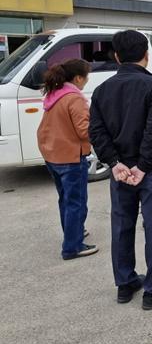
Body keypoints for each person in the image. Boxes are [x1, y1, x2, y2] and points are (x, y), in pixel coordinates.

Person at [89, 30, 152, 310]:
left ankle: (125, 282)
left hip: (121, 172)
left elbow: (96, 132)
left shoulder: (101, 90)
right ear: (146, 55)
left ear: (116, 57)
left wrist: (114, 163)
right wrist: (142, 166)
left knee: (122, 226)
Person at [37, 59, 98, 260]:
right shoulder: (74, 98)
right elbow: (84, 130)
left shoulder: (55, 93)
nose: (87, 80)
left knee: (65, 198)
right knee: (76, 202)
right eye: (86, 77)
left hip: (52, 154)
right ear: (78, 78)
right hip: (70, 156)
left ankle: (73, 232)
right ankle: (73, 247)